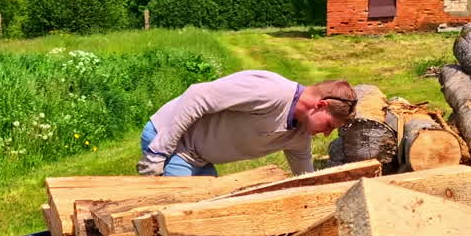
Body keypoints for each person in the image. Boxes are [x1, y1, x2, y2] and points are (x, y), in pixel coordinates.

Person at [137, 71, 357, 177]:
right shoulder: (271, 92)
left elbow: (305, 175)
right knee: (180, 220)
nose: (327, 134)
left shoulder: (300, 133)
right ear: (320, 105)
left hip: (198, 156)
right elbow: (198, 95)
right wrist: (158, 152)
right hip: (171, 139)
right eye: (329, 125)